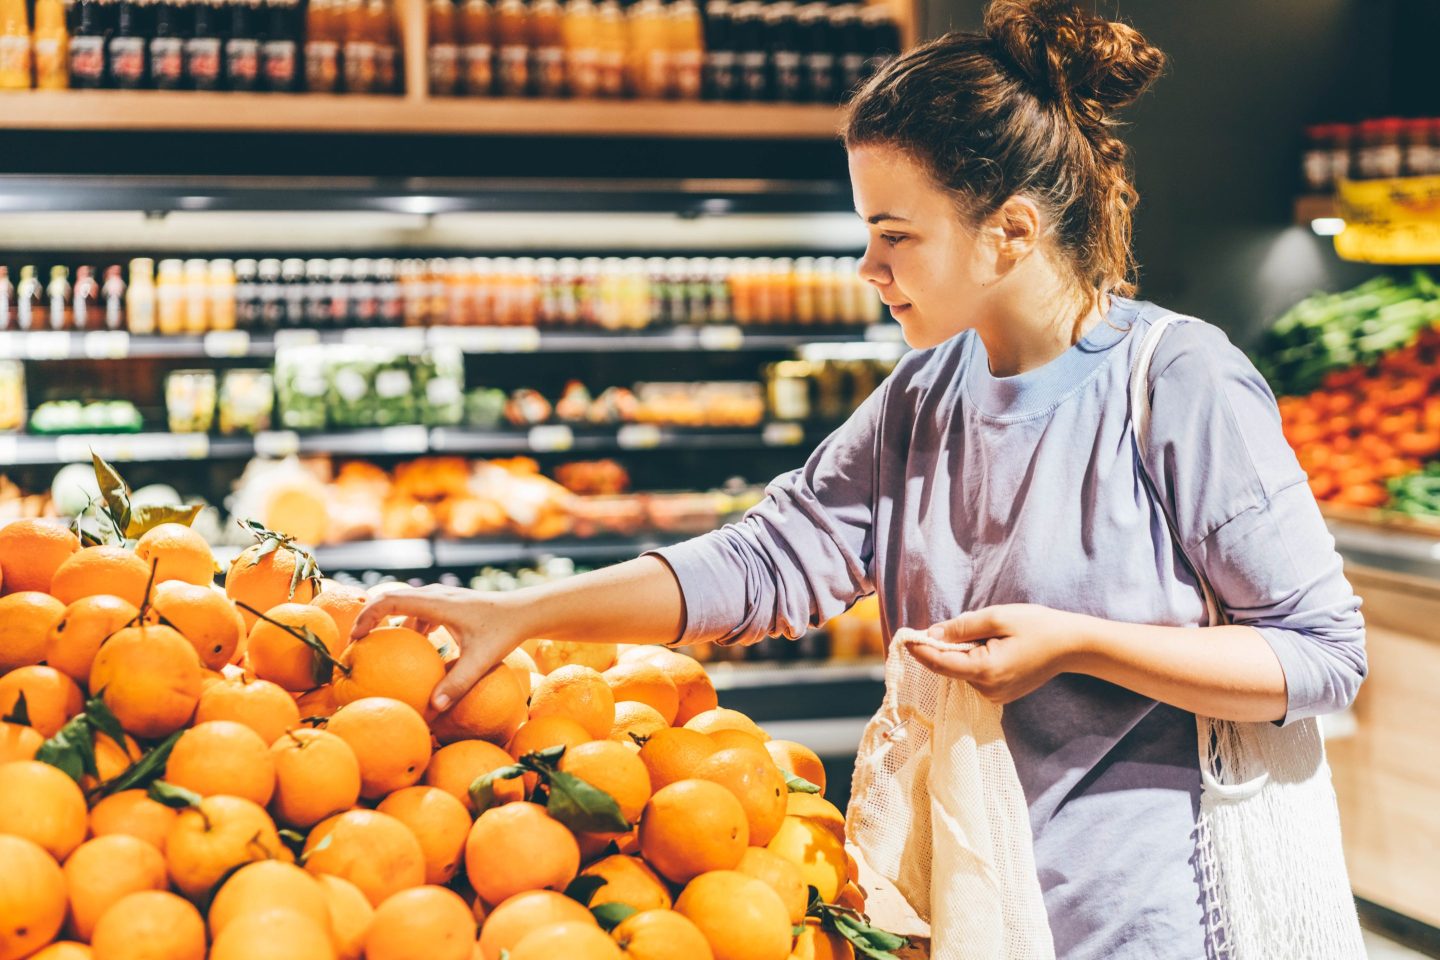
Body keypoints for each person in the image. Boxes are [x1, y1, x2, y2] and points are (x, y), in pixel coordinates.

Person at [354, 2, 1367, 956]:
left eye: (895, 236)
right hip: (965, 906)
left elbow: (1324, 655)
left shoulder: (1177, 382)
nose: (867, 269)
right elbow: (764, 563)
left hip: (1147, 923)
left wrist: (1083, 646)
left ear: (1010, 230)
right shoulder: (923, 397)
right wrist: (525, 614)